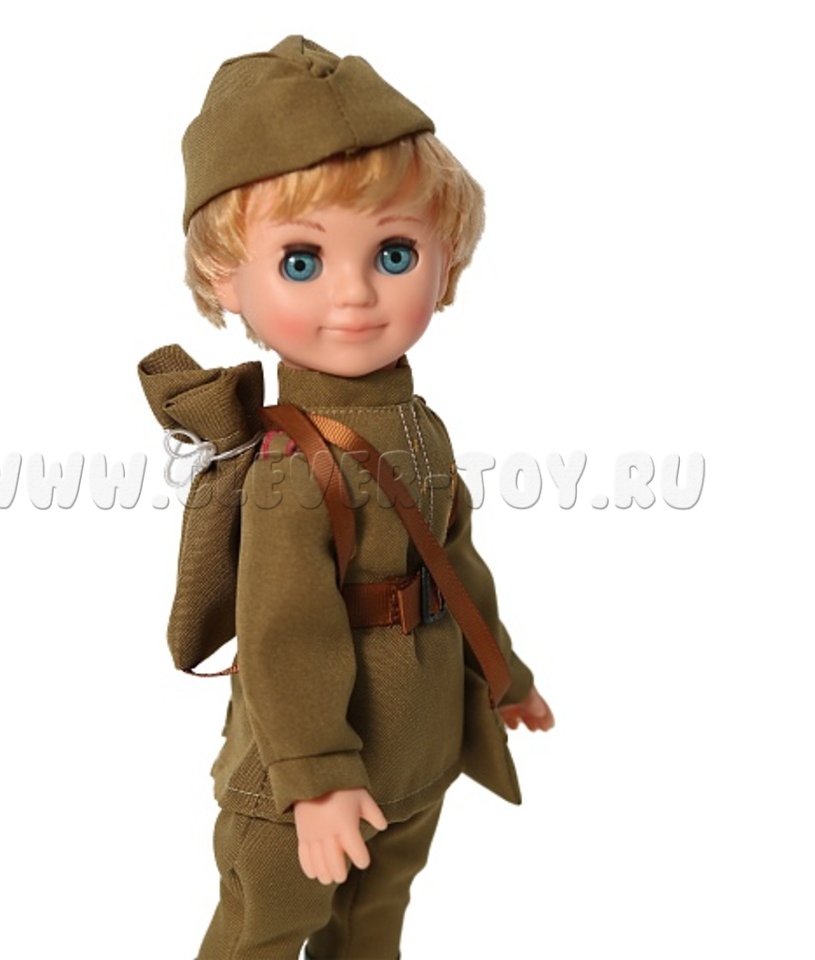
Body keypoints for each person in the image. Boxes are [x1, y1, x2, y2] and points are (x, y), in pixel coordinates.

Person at [175, 35, 554, 959]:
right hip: (309, 769)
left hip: (413, 746)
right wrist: (313, 779)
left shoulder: (419, 427)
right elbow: (281, 632)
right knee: (267, 931)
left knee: (374, 926)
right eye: (301, 262)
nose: (354, 295)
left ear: (446, 258)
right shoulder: (290, 463)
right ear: (228, 278)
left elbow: (456, 563)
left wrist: (502, 674)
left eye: (393, 251)